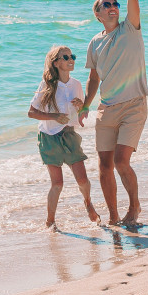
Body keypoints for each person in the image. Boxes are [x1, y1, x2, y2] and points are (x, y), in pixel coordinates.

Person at [79, 0, 148, 226]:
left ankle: (134, 207)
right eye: (106, 5)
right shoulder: (94, 43)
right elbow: (94, 76)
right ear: (97, 14)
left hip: (134, 106)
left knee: (122, 162)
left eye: (114, 4)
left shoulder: (130, 28)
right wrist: (85, 105)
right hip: (105, 110)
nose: (113, 7)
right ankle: (113, 215)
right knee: (104, 167)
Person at [28, 45, 101, 228]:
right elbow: (31, 112)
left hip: (69, 135)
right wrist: (53, 117)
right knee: (57, 184)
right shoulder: (47, 85)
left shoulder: (76, 84)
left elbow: (82, 114)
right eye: (66, 57)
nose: (71, 59)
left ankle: (88, 203)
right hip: (49, 137)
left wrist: (81, 106)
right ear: (56, 63)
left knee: (82, 179)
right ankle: (50, 221)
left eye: (72, 56)